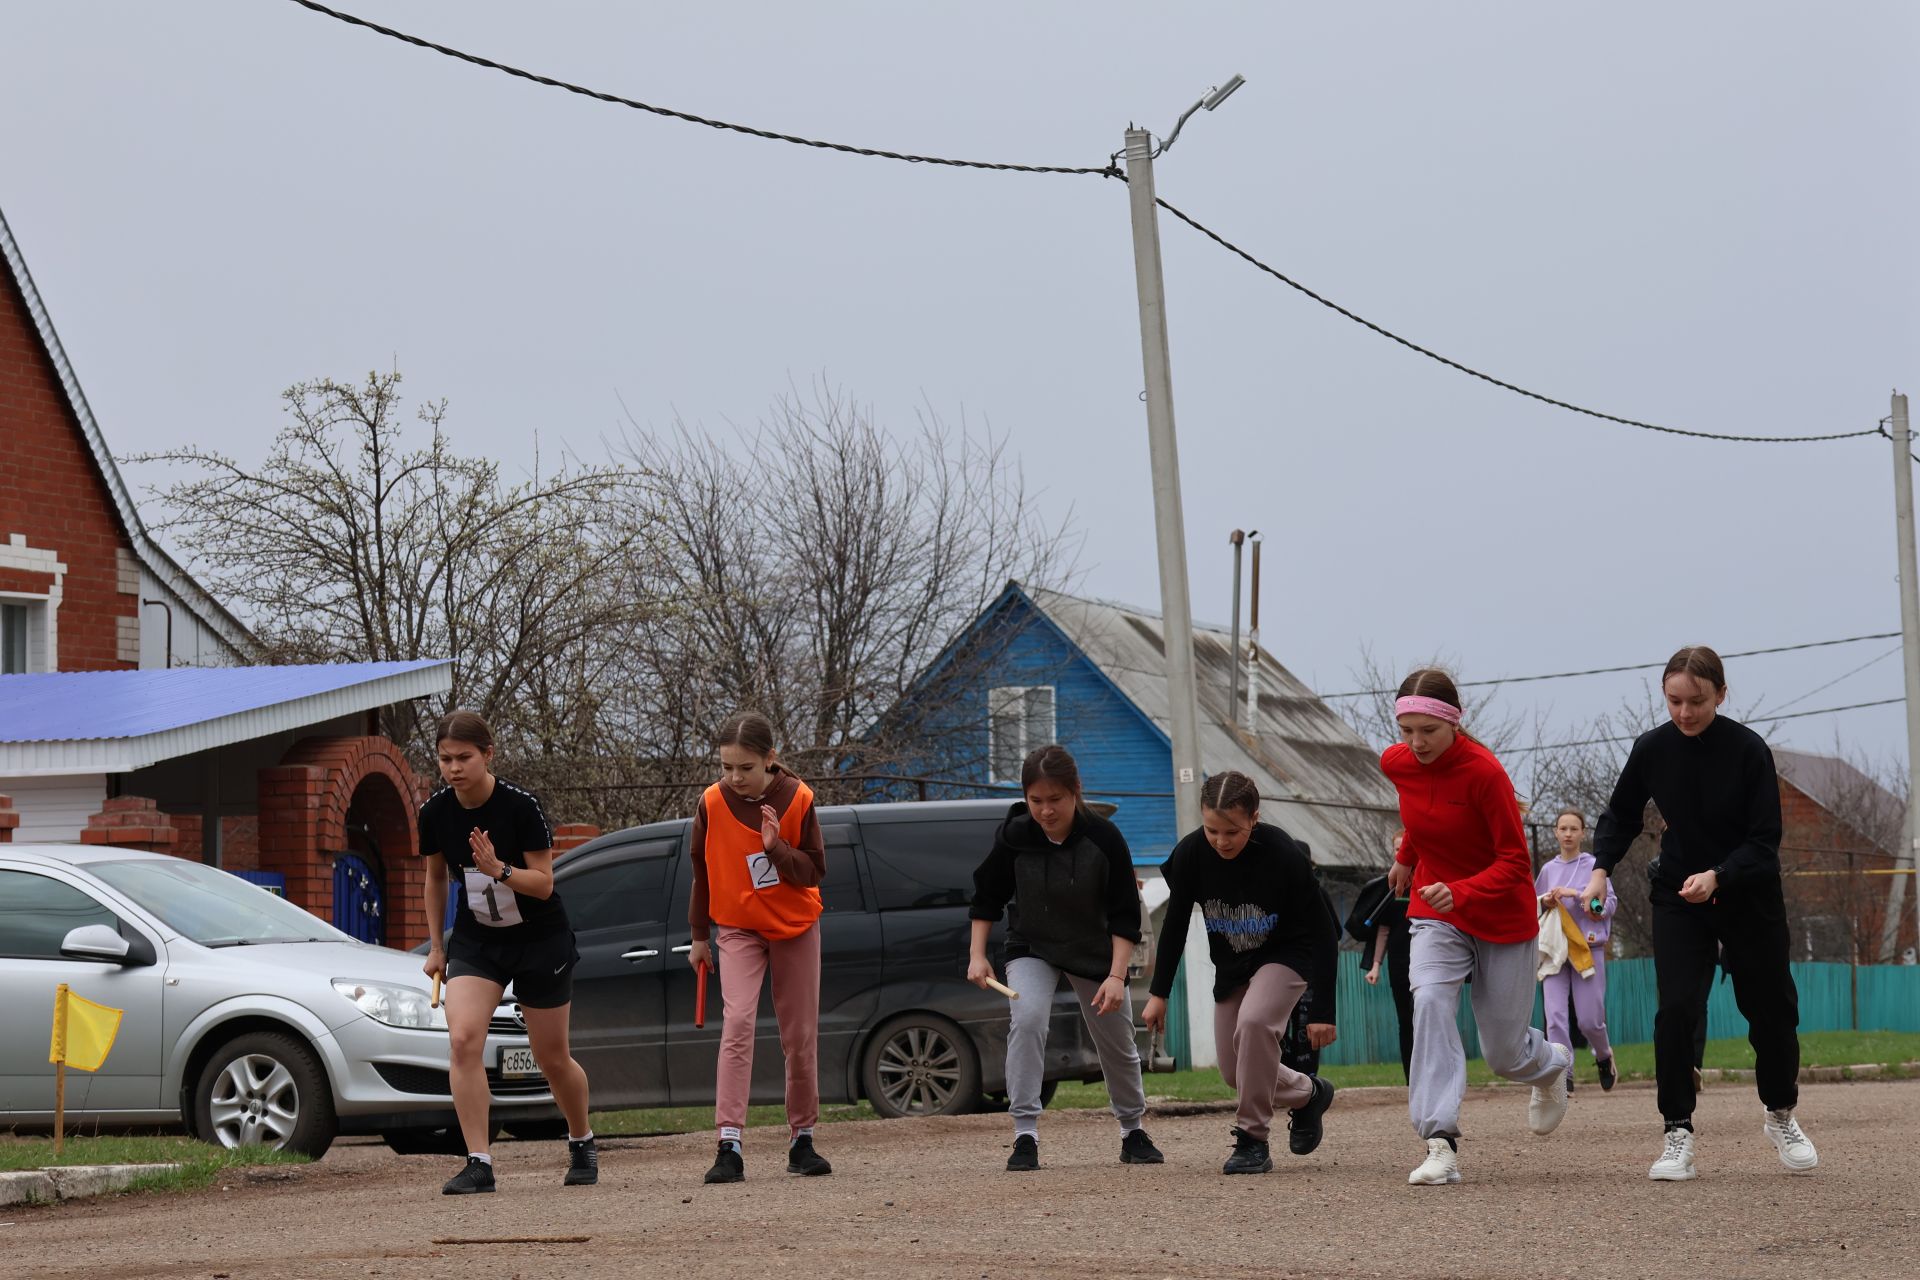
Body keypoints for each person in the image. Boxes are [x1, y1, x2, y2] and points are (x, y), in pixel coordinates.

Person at [1584, 646, 1815, 1182]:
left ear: (1721, 694)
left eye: (1697, 701)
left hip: (1747, 894)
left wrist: (1720, 875)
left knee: (1773, 1012)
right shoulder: (1653, 749)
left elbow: (1765, 842)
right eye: (1674, 701)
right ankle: (1677, 1130)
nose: (1684, 713)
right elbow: (1620, 815)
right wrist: (1600, 870)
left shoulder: (1748, 751)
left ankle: (1780, 1113)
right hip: (1678, 894)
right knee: (1676, 1011)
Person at [1381, 670, 1573, 1186]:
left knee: (1503, 1054)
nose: (1416, 743)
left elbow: (1515, 863)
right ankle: (1438, 1141)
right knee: (1430, 1003)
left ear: (1454, 725)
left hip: (1501, 918)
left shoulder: (1485, 773)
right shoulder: (1396, 763)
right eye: (1407, 730)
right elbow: (1421, 817)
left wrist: (1462, 891)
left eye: (1428, 731)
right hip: (1436, 911)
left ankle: (1553, 1062)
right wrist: (1406, 856)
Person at [419, 711, 596, 1195]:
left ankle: (581, 1138)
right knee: (463, 1040)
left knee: (551, 1056)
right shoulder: (435, 812)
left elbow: (543, 884)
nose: (453, 768)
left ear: (488, 754)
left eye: (464, 758)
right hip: (479, 940)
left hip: (540, 939)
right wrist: (437, 946)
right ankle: (479, 1161)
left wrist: (499, 869)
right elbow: (435, 878)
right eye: (444, 759)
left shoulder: (521, 806)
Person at [969, 744, 1163, 1172]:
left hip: (1094, 950)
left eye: (1055, 800)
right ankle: (1025, 1134)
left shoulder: (1104, 838)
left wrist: (1116, 976)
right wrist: (977, 955)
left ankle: (1133, 1129)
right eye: (1036, 801)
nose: (1045, 811)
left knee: (1116, 1040)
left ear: (1076, 791)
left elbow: (1125, 914)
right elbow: (987, 896)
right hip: (1032, 945)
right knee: (1029, 1018)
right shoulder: (1015, 836)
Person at [1142, 772, 1337, 1175]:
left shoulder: (1282, 853)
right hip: (1233, 965)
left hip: (1287, 954)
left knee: (1254, 1023)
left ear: (1254, 818)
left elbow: (1323, 932)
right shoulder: (1192, 854)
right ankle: (1309, 1094)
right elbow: (1175, 925)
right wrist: (1159, 992)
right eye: (1212, 829)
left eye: (1232, 831)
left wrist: (1323, 1009)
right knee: (1236, 1073)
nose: (1221, 841)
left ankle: (1253, 1140)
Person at [686, 712, 832, 1184]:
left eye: (744, 767)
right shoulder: (711, 802)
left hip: (793, 926)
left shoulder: (799, 797)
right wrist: (699, 936)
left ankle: (802, 1139)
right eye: (727, 767)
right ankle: (728, 1142)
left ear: (770, 760)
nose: (734, 777)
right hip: (737, 927)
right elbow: (701, 871)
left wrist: (776, 849)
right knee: (738, 1022)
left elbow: (813, 871)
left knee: (799, 1034)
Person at [1535, 809, 1618, 1091]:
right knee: (1555, 1015)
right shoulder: (1548, 870)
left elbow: (1608, 905)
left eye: (1574, 829)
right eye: (1563, 828)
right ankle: (1563, 1071)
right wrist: (1545, 900)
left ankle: (1604, 1056)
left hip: (1587, 947)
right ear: (1556, 832)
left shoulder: (1594, 866)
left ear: (1583, 833)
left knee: (1589, 1019)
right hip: (1555, 948)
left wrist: (1583, 898)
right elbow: (1533, 906)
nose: (1568, 834)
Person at [1355, 831, 1416, 1080]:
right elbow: (1383, 930)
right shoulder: (1390, 887)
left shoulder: (1428, 883)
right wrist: (1376, 965)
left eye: (1404, 847)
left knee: (1428, 1018)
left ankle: (1439, 1074)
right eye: (1397, 849)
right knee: (1406, 1020)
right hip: (1399, 964)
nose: (1400, 852)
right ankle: (1412, 1077)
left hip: (1429, 963)